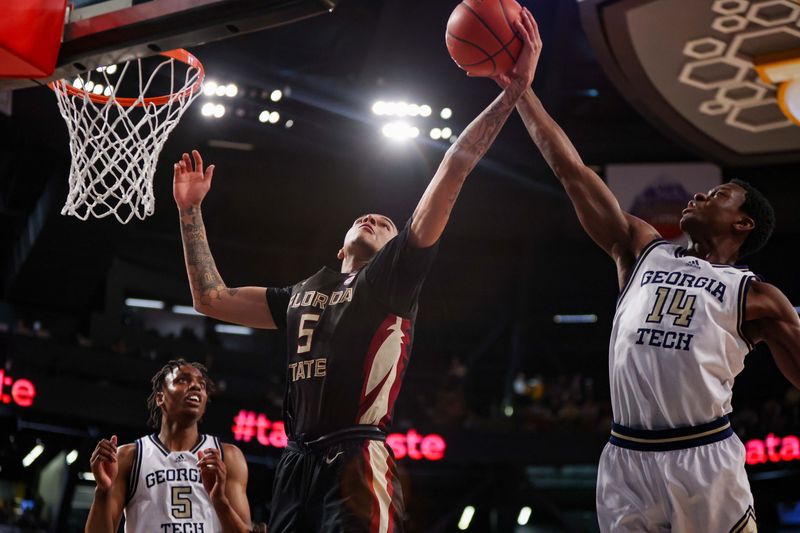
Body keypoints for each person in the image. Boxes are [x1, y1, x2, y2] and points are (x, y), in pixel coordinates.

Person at [172, 10, 542, 532]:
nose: (375, 217)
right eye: (366, 217)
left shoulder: (392, 278)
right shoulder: (302, 291)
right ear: (341, 241)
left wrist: (513, 93)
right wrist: (190, 210)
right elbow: (210, 298)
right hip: (294, 460)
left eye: (388, 223)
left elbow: (455, 164)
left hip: (355, 454)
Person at [498, 10, 800, 532]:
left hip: (703, 458)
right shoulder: (642, 249)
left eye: (719, 194)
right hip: (626, 458)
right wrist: (521, 91)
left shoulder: (756, 295)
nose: (702, 194)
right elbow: (571, 172)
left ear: (743, 222)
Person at [85, 359, 254, 533]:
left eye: (201, 385)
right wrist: (102, 491)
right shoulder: (129, 457)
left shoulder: (228, 456)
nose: (196, 386)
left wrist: (220, 501)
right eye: (182, 380)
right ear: (160, 397)